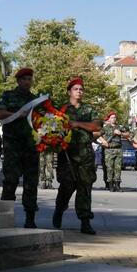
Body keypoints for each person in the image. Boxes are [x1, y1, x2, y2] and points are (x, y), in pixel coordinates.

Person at [52, 77, 102, 235]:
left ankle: (85, 221)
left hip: (85, 153)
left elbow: (96, 126)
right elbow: (53, 127)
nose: (79, 91)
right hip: (67, 153)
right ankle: (59, 210)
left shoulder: (89, 109)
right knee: (66, 187)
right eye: (76, 89)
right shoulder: (63, 110)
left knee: (85, 188)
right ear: (69, 92)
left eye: (81, 89)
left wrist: (78, 124)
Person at [0, 67, 40, 228]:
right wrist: (18, 114)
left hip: (31, 146)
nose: (27, 82)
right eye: (24, 79)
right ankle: (5, 217)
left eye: (29, 79)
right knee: (10, 181)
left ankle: (30, 218)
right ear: (18, 81)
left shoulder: (35, 99)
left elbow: (42, 120)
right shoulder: (7, 96)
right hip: (12, 144)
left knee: (31, 184)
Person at [98, 111, 128, 192]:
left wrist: (121, 133)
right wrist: (103, 141)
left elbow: (128, 134)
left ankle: (117, 185)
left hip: (118, 149)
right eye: (112, 117)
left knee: (118, 168)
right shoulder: (106, 127)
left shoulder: (119, 127)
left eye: (115, 117)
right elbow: (98, 135)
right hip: (109, 150)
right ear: (109, 119)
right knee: (110, 168)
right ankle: (110, 185)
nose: (114, 119)